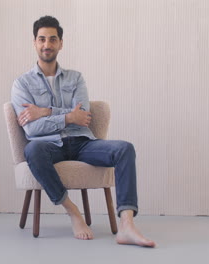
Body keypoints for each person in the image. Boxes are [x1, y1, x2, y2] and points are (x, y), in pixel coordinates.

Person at [11, 15, 155, 247]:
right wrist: (67, 116)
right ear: (34, 42)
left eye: (52, 39)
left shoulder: (76, 78)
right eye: (42, 39)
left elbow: (83, 118)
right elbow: (32, 129)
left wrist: (46, 111)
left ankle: (127, 225)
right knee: (33, 149)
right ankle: (73, 213)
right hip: (49, 146)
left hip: (81, 142)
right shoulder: (21, 84)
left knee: (124, 149)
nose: (47, 44)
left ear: (61, 43)